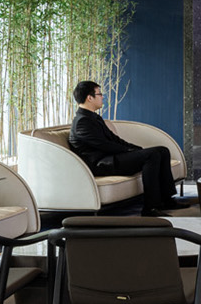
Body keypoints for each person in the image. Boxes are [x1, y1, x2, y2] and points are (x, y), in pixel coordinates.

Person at [68, 80, 180, 216]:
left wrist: (135, 148)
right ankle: (150, 208)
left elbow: (115, 139)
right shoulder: (82, 122)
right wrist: (131, 151)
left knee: (162, 150)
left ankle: (167, 200)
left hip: (111, 158)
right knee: (152, 155)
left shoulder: (93, 118)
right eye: (100, 94)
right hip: (102, 163)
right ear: (89, 98)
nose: (103, 97)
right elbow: (105, 145)